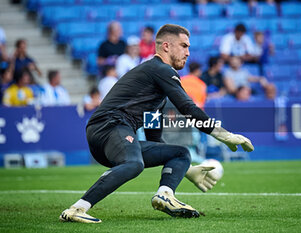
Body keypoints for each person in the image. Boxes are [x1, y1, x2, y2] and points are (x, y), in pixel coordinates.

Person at [59, 24, 254, 224]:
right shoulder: (159, 69)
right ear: (166, 46)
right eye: (184, 46)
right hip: (109, 127)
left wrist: (186, 168)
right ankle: (77, 208)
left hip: (111, 137)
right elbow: (188, 109)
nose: (188, 53)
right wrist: (224, 135)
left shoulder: (156, 91)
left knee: (180, 153)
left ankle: (165, 195)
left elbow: (154, 138)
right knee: (134, 164)